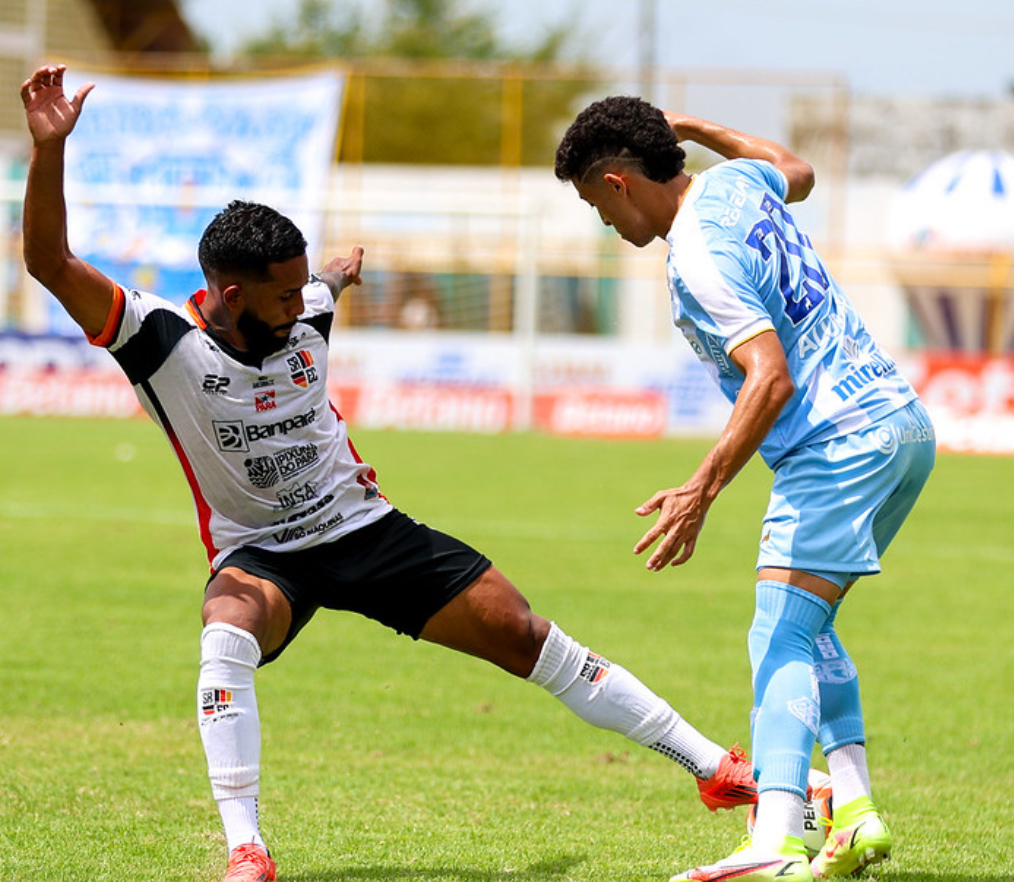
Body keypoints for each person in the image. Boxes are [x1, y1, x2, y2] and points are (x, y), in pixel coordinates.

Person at [20, 64, 760, 882]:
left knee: (523, 632)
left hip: (365, 529)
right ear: (229, 295)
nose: (303, 303)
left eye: (308, 286)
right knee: (224, 637)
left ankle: (716, 770)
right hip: (261, 554)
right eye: (285, 293)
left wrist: (339, 270)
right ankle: (246, 852)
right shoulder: (159, 342)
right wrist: (48, 152)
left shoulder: (309, 309)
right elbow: (50, 260)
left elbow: (327, 286)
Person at [554, 97, 935, 882]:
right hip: (898, 426)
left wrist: (700, 487)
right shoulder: (735, 187)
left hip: (838, 442)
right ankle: (856, 814)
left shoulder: (695, 254)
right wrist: (691, 128)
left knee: (779, 636)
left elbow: (770, 376)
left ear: (620, 182)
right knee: (808, 624)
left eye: (597, 204)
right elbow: (798, 170)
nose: (603, 223)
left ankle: (776, 840)